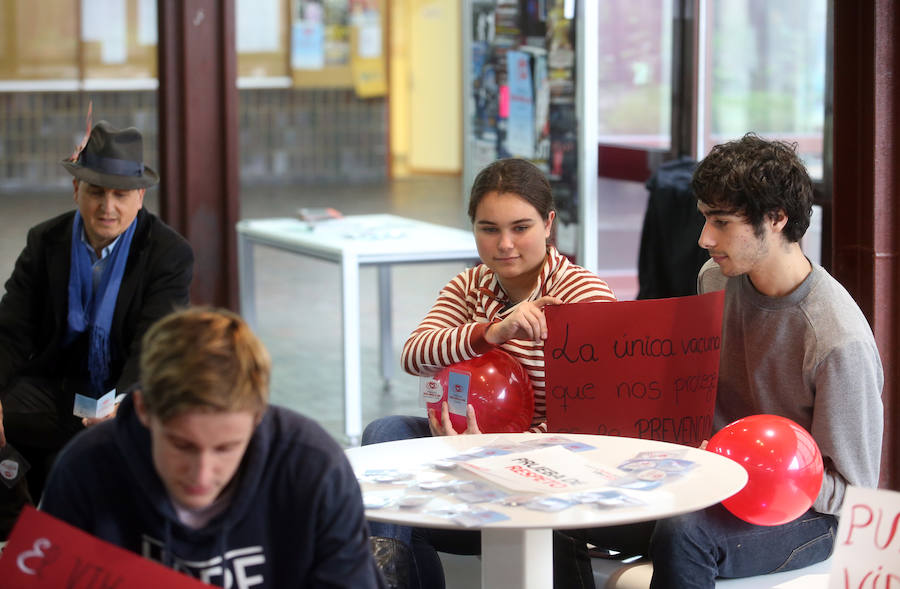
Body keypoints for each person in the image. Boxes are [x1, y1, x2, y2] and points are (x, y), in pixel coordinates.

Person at [559, 133, 884, 588]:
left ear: (776, 219)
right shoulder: (715, 278)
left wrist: (753, 470)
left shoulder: (837, 340)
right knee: (562, 507)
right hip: (713, 478)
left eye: (722, 222)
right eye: (705, 218)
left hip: (807, 514)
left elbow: (852, 492)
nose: (704, 238)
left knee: (684, 533)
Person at [362, 157, 617, 588]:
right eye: (489, 229)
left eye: (521, 227)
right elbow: (414, 355)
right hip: (463, 455)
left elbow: (599, 413)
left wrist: (497, 450)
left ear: (548, 224)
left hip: (543, 472)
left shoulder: (580, 294)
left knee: (400, 508)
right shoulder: (468, 287)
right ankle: (387, 580)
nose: (505, 244)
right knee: (385, 433)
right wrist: (491, 332)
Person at [40, 307, 384, 588]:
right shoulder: (86, 467)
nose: (202, 475)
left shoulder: (314, 468)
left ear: (257, 417)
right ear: (144, 410)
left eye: (226, 448)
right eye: (182, 445)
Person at [0, 119, 194, 539]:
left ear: (140, 197)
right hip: (56, 389)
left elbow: (155, 346)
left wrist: (125, 404)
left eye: (120, 195)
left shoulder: (168, 254)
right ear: (77, 190)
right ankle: (17, 531)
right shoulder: (45, 241)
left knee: (130, 443)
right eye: (96, 192)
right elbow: (11, 331)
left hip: (125, 392)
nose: (108, 207)